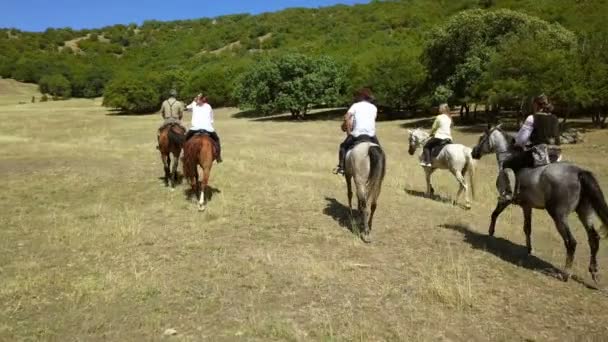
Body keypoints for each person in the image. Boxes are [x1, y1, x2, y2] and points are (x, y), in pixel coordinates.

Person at [497, 94, 561, 202]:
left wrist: (517, 144)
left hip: (540, 154)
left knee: (508, 163)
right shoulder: (555, 118)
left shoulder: (532, 118)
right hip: (556, 154)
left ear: (536, 105)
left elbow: (521, 140)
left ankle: (509, 194)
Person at [333, 88, 380, 175]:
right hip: (371, 135)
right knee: (379, 150)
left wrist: (349, 132)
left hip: (357, 134)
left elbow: (347, 117)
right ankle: (379, 169)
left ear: (361, 96)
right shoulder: (374, 107)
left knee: (343, 147)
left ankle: (341, 167)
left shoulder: (355, 105)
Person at [185, 94, 222, 163]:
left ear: (200, 99)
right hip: (208, 128)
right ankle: (218, 156)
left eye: (198, 98)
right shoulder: (208, 106)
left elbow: (187, 108)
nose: (197, 99)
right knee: (217, 140)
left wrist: (193, 101)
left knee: (185, 140)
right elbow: (211, 119)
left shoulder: (194, 105)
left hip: (195, 129)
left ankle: (185, 155)